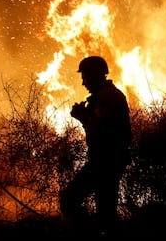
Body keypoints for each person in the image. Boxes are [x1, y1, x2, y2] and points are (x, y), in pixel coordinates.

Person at [59, 56, 132, 236]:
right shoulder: (109, 94)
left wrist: (82, 116)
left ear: (94, 74)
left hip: (105, 161)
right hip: (111, 160)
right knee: (106, 215)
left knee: (69, 201)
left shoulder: (105, 96)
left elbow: (102, 130)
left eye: (84, 76)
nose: (83, 82)